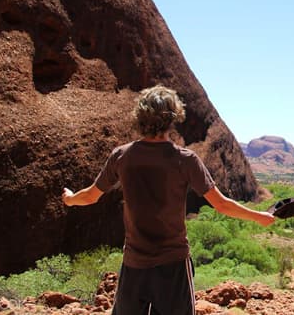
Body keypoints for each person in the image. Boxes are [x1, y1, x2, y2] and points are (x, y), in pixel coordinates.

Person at [61, 85, 275, 315]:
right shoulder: (184, 159)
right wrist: (259, 217)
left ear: (140, 116)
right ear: (173, 118)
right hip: (173, 263)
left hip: (134, 262)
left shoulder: (122, 156)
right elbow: (221, 204)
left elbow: (91, 196)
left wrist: (71, 199)